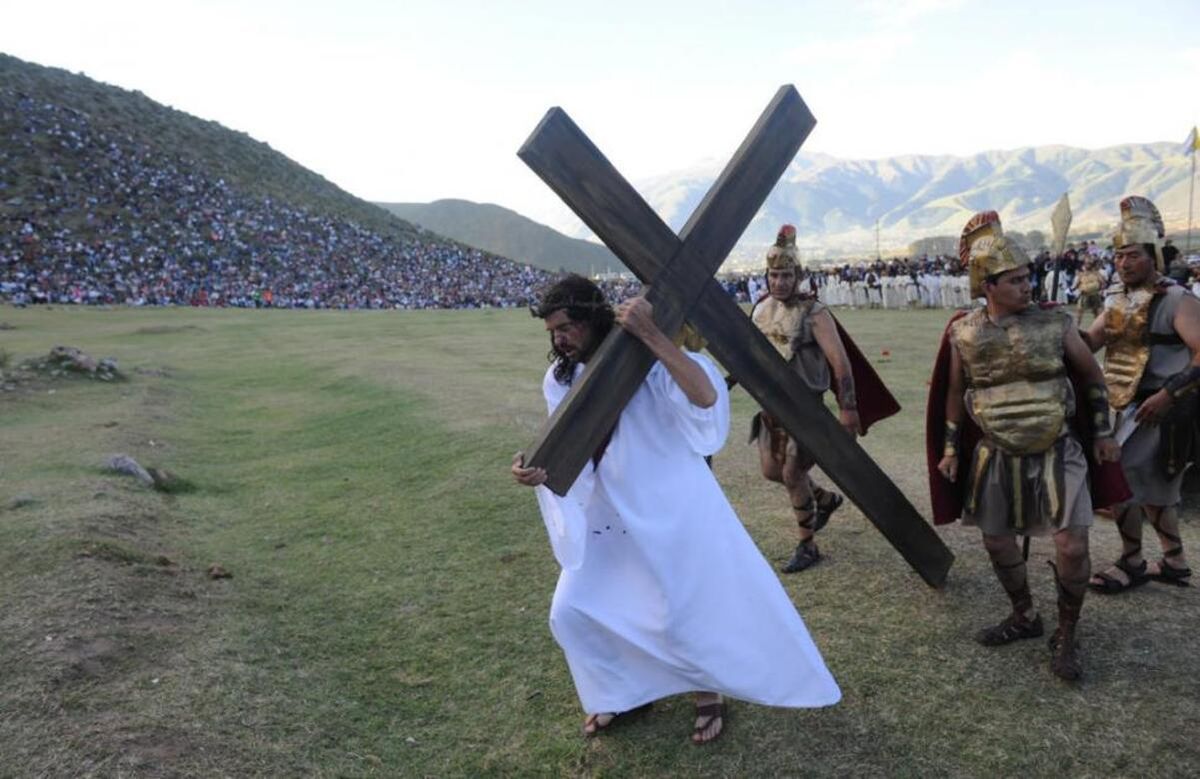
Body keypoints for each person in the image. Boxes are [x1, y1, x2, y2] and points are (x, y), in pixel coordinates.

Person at [511, 274, 841, 745]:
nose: (558, 340)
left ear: (591, 316)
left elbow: (706, 396)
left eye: (565, 327)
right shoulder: (559, 377)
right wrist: (536, 469)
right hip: (608, 510)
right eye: (552, 332)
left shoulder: (646, 357)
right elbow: (566, 444)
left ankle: (708, 692)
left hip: (672, 500)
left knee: (685, 607)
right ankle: (621, 692)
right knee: (573, 610)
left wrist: (650, 335)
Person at [928, 211, 1122, 681]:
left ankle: (1067, 631)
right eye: (1014, 280)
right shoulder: (963, 332)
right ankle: (1025, 615)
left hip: (1058, 446)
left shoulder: (1055, 323)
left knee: (1072, 545)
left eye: (1027, 276)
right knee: (997, 542)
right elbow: (954, 394)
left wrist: (1102, 432)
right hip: (995, 450)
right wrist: (951, 450)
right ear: (988, 285)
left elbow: (1092, 378)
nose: (1026, 286)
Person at [748, 226, 898, 573]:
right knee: (772, 472)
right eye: (774, 275)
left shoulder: (814, 312)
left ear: (798, 276)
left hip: (806, 410)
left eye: (787, 275)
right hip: (771, 408)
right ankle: (824, 500)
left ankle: (807, 545)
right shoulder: (760, 309)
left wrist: (848, 408)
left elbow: (840, 363)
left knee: (792, 473)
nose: (779, 282)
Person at [1083, 197, 1200, 593]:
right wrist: (1057, 332)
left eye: (1133, 255)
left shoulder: (1177, 299)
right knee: (1152, 489)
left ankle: (1132, 561)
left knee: (1125, 481)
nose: (1124, 263)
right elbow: (1090, 343)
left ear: (1153, 256)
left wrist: (1168, 395)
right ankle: (1174, 561)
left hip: (1166, 405)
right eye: (1119, 256)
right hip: (1124, 405)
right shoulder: (1117, 299)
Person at [1073, 257, 1105, 324]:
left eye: (1089, 263)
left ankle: (1097, 327)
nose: (1087, 265)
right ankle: (1076, 326)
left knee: (1097, 312)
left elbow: (1103, 283)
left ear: (1092, 264)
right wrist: (1075, 289)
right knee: (1079, 312)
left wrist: (1101, 290)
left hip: (1094, 294)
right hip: (1084, 294)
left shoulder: (1096, 273)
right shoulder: (1081, 274)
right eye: (1086, 263)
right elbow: (1077, 284)